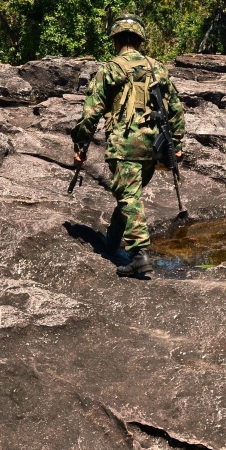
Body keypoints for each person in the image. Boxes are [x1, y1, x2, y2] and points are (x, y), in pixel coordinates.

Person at [72, 15, 185, 278]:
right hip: (154, 146)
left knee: (128, 196)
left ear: (115, 39)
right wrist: (177, 145)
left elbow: (90, 114)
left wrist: (80, 148)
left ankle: (139, 254)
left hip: (125, 145)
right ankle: (112, 241)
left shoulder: (110, 69)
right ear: (139, 39)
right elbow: (176, 109)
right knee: (129, 193)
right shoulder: (158, 68)